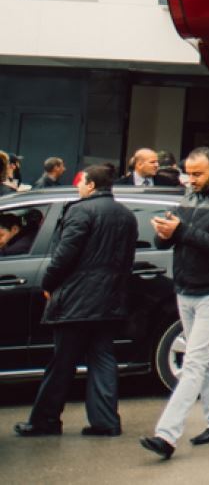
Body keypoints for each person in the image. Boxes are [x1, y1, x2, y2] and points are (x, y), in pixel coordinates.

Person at [140, 147, 209, 460]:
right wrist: (164, 233)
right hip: (186, 286)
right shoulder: (190, 195)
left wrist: (180, 230)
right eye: (189, 173)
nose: (191, 179)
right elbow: (175, 238)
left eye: (198, 173)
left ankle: (167, 434)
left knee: (194, 361)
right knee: (203, 360)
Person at [15, 165, 136, 438]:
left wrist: (49, 283)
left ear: (91, 186)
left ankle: (45, 420)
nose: (79, 187)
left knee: (62, 362)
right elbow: (127, 258)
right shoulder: (126, 216)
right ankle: (105, 421)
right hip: (110, 299)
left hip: (77, 299)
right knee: (103, 358)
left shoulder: (80, 211)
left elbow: (64, 254)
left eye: (81, 183)